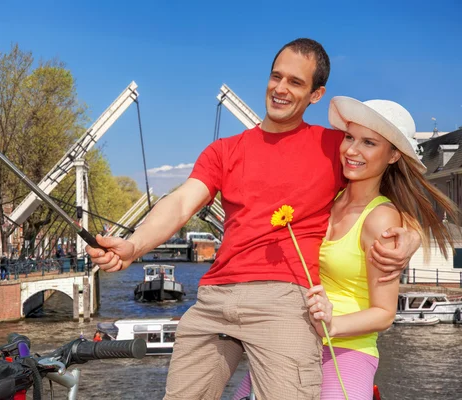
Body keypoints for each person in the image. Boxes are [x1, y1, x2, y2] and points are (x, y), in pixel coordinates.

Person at [86, 39, 421, 399]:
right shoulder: (224, 151)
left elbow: (387, 187)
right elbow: (181, 202)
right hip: (215, 297)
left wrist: (412, 233)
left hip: (284, 300)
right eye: (276, 77)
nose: (280, 88)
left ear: (315, 94)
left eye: (295, 82)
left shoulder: (334, 147)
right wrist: (134, 244)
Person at [233, 98, 460, 399]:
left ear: (393, 155)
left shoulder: (381, 220)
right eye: (349, 137)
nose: (352, 150)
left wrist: (332, 324)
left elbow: (384, 313)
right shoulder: (327, 197)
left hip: (346, 350)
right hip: (291, 343)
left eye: (369, 143)